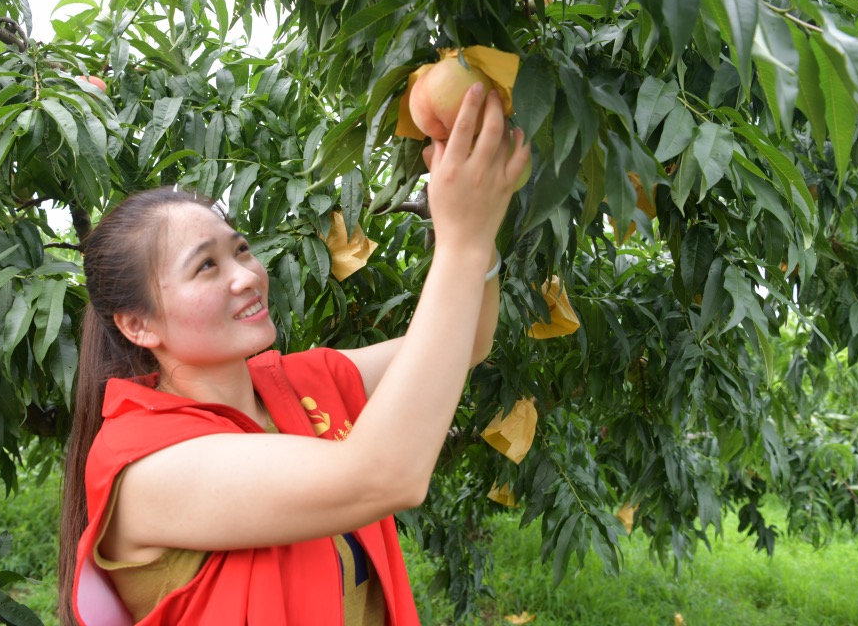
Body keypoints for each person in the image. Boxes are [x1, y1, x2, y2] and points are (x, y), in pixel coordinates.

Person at [57, 83, 529, 626]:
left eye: (240, 250)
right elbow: (383, 476)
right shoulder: (146, 466)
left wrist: (481, 231)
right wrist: (461, 241)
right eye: (205, 266)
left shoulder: (300, 381)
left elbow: (466, 341)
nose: (245, 278)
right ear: (139, 325)